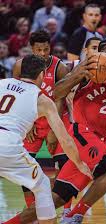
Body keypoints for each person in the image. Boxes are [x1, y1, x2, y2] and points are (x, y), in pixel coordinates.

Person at [3, 37, 106, 224]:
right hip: (82, 133)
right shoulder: (86, 70)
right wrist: (77, 74)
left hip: (97, 140)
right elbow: (56, 93)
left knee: (55, 200)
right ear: (101, 53)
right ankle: (75, 216)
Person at [0, 54, 91, 224]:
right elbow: (64, 139)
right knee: (41, 185)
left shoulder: (2, 84)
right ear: (42, 74)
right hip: (8, 146)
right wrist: (79, 163)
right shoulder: (42, 99)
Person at [13, 30, 72, 215]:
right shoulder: (20, 66)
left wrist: (54, 130)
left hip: (54, 118)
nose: (43, 53)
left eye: (46, 49)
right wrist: (27, 123)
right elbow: (17, 95)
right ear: (32, 49)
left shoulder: (59, 67)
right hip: (32, 121)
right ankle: (32, 211)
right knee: (24, 168)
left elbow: (61, 98)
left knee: (64, 167)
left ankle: (66, 214)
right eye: (39, 49)